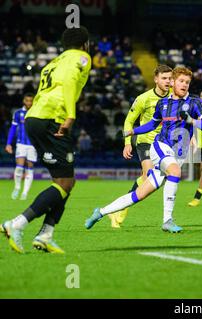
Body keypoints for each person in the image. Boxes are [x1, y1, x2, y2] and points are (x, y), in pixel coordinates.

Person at [85, 66, 202, 232]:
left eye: (187, 82)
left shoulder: (194, 103)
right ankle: (167, 221)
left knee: (139, 195)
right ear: (173, 82)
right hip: (160, 147)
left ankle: (101, 212)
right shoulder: (163, 103)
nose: (184, 85)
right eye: (181, 81)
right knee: (174, 172)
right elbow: (153, 124)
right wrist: (133, 132)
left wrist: (191, 121)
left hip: (177, 154)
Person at [1, 27, 91, 254]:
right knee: (65, 183)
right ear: (85, 44)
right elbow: (70, 81)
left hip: (34, 119)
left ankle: (46, 235)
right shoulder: (82, 57)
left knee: (64, 182)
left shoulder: (53, 62)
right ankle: (17, 224)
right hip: (53, 119)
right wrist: (70, 114)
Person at [108, 65, 172, 228]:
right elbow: (129, 120)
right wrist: (127, 143)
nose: (168, 81)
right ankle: (120, 212)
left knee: (149, 180)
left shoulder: (173, 98)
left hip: (162, 143)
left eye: (170, 78)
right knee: (150, 174)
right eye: (164, 78)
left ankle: (117, 209)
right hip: (144, 141)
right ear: (156, 79)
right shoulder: (143, 98)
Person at [5, 93, 37, 200]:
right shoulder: (18, 113)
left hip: (33, 145)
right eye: (27, 101)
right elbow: (13, 129)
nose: (29, 103)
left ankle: (25, 193)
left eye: (31, 101)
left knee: (30, 167)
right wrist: (9, 143)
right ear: (24, 101)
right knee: (19, 166)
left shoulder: (37, 112)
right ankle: (17, 187)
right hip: (21, 144)